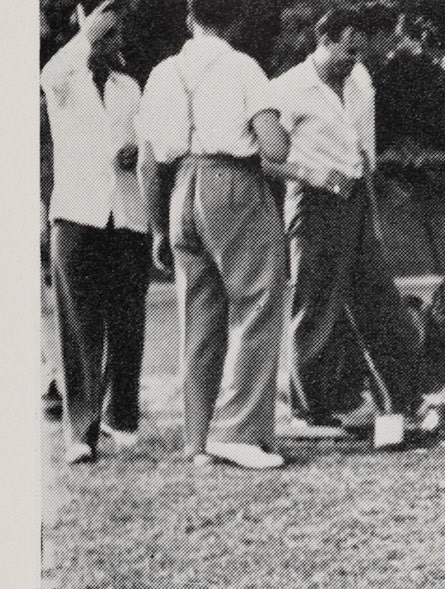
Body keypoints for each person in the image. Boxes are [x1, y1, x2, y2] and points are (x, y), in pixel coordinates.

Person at [137, 0, 291, 471]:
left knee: (197, 316)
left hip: (179, 186)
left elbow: (147, 161)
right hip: (233, 182)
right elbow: (275, 147)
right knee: (258, 301)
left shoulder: (162, 73)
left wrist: (159, 227)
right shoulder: (244, 67)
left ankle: (197, 439)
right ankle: (238, 432)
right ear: (236, 19)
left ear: (190, 19)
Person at [269, 6, 421, 436]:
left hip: (356, 198)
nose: (355, 59)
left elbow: (364, 145)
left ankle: (401, 399)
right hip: (312, 202)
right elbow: (262, 158)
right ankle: (310, 410)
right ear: (325, 41)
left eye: (360, 52)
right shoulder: (286, 89)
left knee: (378, 297)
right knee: (315, 302)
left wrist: (372, 192)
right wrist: (312, 173)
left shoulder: (360, 81)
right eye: (348, 50)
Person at [41, 0, 151, 466]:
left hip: (126, 214)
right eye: (108, 34)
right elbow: (55, 67)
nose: (116, 43)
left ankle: (120, 413)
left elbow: (147, 139)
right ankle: (80, 431)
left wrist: (136, 150)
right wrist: (89, 29)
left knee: (127, 321)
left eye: (118, 34)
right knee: (80, 327)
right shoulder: (63, 81)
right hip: (77, 216)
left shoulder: (130, 86)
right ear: (88, 32)